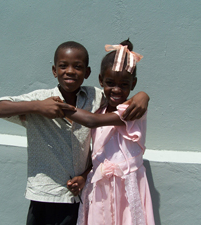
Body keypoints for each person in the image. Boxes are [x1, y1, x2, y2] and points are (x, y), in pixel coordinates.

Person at [0, 41, 150, 225]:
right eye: (63, 66)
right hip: (45, 194)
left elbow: (117, 91)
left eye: (78, 67)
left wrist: (142, 95)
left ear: (87, 73)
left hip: (78, 196)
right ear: (54, 70)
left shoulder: (95, 97)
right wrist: (39, 107)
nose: (70, 71)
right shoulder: (40, 98)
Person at [65, 39, 155, 225]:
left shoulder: (134, 110)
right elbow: (98, 155)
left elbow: (91, 121)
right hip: (99, 188)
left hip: (128, 188)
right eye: (110, 82)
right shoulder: (99, 108)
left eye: (124, 84)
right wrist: (84, 176)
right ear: (100, 81)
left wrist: (61, 108)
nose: (116, 89)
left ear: (133, 84)